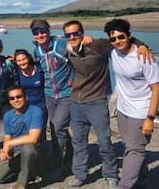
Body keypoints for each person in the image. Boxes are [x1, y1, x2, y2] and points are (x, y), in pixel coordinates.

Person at [63, 20, 153, 188]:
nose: (73, 37)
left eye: (76, 33)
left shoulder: (98, 46)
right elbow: (46, 43)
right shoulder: (66, 49)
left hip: (96, 101)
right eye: (68, 35)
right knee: (79, 141)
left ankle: (110, 173)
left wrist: (142, 45)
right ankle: (80, 174)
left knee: (104, 140)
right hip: (75, 102)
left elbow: (123, 39)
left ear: (82, 33)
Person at [104, 19, 159, 189]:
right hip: (123, 110)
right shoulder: (113, 52)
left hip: (141, 111)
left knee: (135, 150)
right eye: (113, 39)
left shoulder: (144, 57)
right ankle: (142, 182)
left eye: (121, 37)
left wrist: (150, 117)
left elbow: (156, 89)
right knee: (130, 147)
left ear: (129, 36)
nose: (117, 41)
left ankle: (124, 186)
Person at [29, 19, 74, 172]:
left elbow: (81, 47)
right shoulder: (37, 51)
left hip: (66, 93)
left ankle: (58, 161)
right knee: (55, 127)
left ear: (48, 30)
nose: (40, 35)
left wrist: (139, 43)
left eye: (42, 31)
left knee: (58, 127)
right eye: (36, 33)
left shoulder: (61, 43)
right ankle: (68, 156)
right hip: (49, 94)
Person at [0, 86, 44, 189]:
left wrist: (9, 144)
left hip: (34, 151)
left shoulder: (36, 111)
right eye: (12, 98)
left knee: (28, 149)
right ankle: (27, 171)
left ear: (25, 97)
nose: (16, 100)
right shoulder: (8, 116)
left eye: (19, 96)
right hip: (16, 152)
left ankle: (21, 183)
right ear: (9, 101)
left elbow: (33, 138)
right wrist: (5, 150)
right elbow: (7, 137)